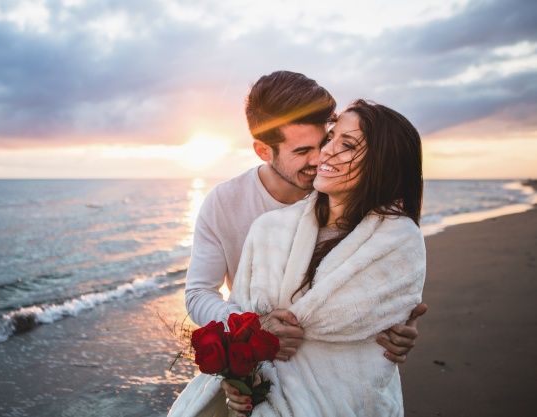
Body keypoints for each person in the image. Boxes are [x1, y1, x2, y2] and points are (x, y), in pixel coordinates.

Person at [171, 99, 426, 416]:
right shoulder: (245, 214)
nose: (323, 154)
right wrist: (245, 350)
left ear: (381, 164)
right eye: (304, 151)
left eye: (331, 141)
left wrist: (394, 321)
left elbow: (362, 314)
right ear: (265, 151)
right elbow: (201, 295)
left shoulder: (390, 237)